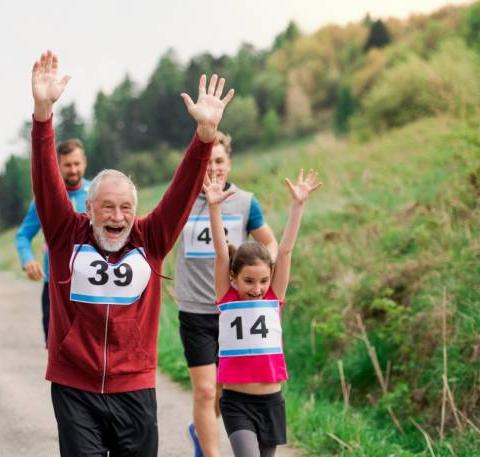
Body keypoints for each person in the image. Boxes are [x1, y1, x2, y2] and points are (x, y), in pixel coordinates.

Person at [30, 50, 234, 457]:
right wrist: (42, 114)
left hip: (134, 388)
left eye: (126, 208)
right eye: (107, 207)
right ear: (89, 209)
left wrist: (205, 136)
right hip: (75, 388)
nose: (118, 217)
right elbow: (46, 178)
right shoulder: (65, 233)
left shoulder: (151, 237)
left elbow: (179, 192)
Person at [173, 131, 278, 457]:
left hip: (235, 313)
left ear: (228, 164)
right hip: (195, 309)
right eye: (206, 162)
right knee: (205, 390)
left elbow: (270, 244)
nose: (213, 169)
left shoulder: (246, 202)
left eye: (218, 161)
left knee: (223, 391)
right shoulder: (182, 201)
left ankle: (198, 431)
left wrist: (259, 278)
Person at [204, 169, 320, 457]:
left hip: (271, 402)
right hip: (236, 402)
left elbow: (284, 252)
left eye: (263, 281)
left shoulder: (273, 298)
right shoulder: (226, 297)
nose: (257, 288)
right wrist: (214, 208)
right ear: (234, 277)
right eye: (249, 281)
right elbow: (221, 253)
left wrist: (298, 206)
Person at [15, 138, 89, 345]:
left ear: (85, 163)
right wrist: (28, 260)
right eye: (67, 165)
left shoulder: (99, 193)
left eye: (77, 164)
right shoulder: (45, 198)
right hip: (54, 286)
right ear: (58, 165)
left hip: (92, 284)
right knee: (57, 349)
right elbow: (22, 235)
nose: (73, 170)